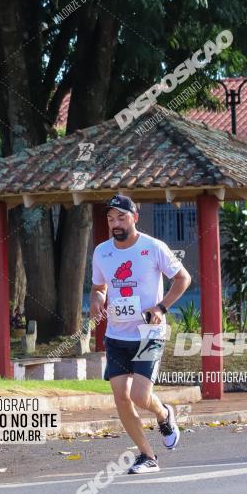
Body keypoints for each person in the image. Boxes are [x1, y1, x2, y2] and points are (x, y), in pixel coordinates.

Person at [90, 195, 192, 474]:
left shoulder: (153, 247)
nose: (115, 224)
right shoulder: (102, 252)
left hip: (149, 333)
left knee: (139, 395)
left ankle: (163, 414)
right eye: (111, 219)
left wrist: (161, 307)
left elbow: (183, 278)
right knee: (120, 397)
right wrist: (97, 300)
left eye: (121, 218)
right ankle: (147, 456)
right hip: (116, 335)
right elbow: (98, 288)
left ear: (135, 217)